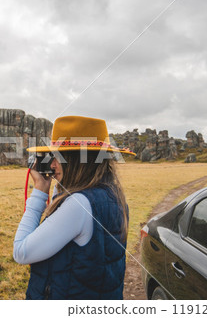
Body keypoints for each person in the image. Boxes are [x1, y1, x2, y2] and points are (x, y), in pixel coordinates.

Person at [13, 115, 135, 300]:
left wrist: (39, 191)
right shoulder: (113, 195)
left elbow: (21, 252)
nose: (52, 164)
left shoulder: (79, 205)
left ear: (77, 160)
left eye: (58, 157)